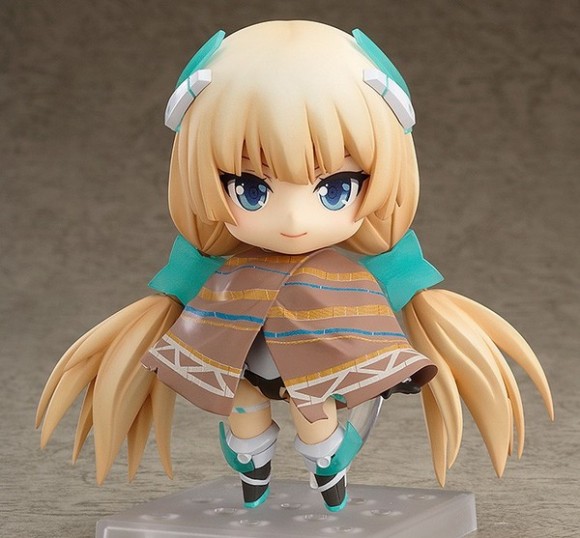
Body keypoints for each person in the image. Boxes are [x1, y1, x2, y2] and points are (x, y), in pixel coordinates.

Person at [37, 20, 553, 512]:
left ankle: (328, 468)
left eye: (335, 189)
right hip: (240, 351)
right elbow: (185, 282)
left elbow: (399, 276)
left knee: (317, 419)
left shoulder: (352, 272)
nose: (292, 220)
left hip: (320, 359)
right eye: (250, 188)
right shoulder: (221, 269)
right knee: (243, 412)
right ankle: (253, 468)